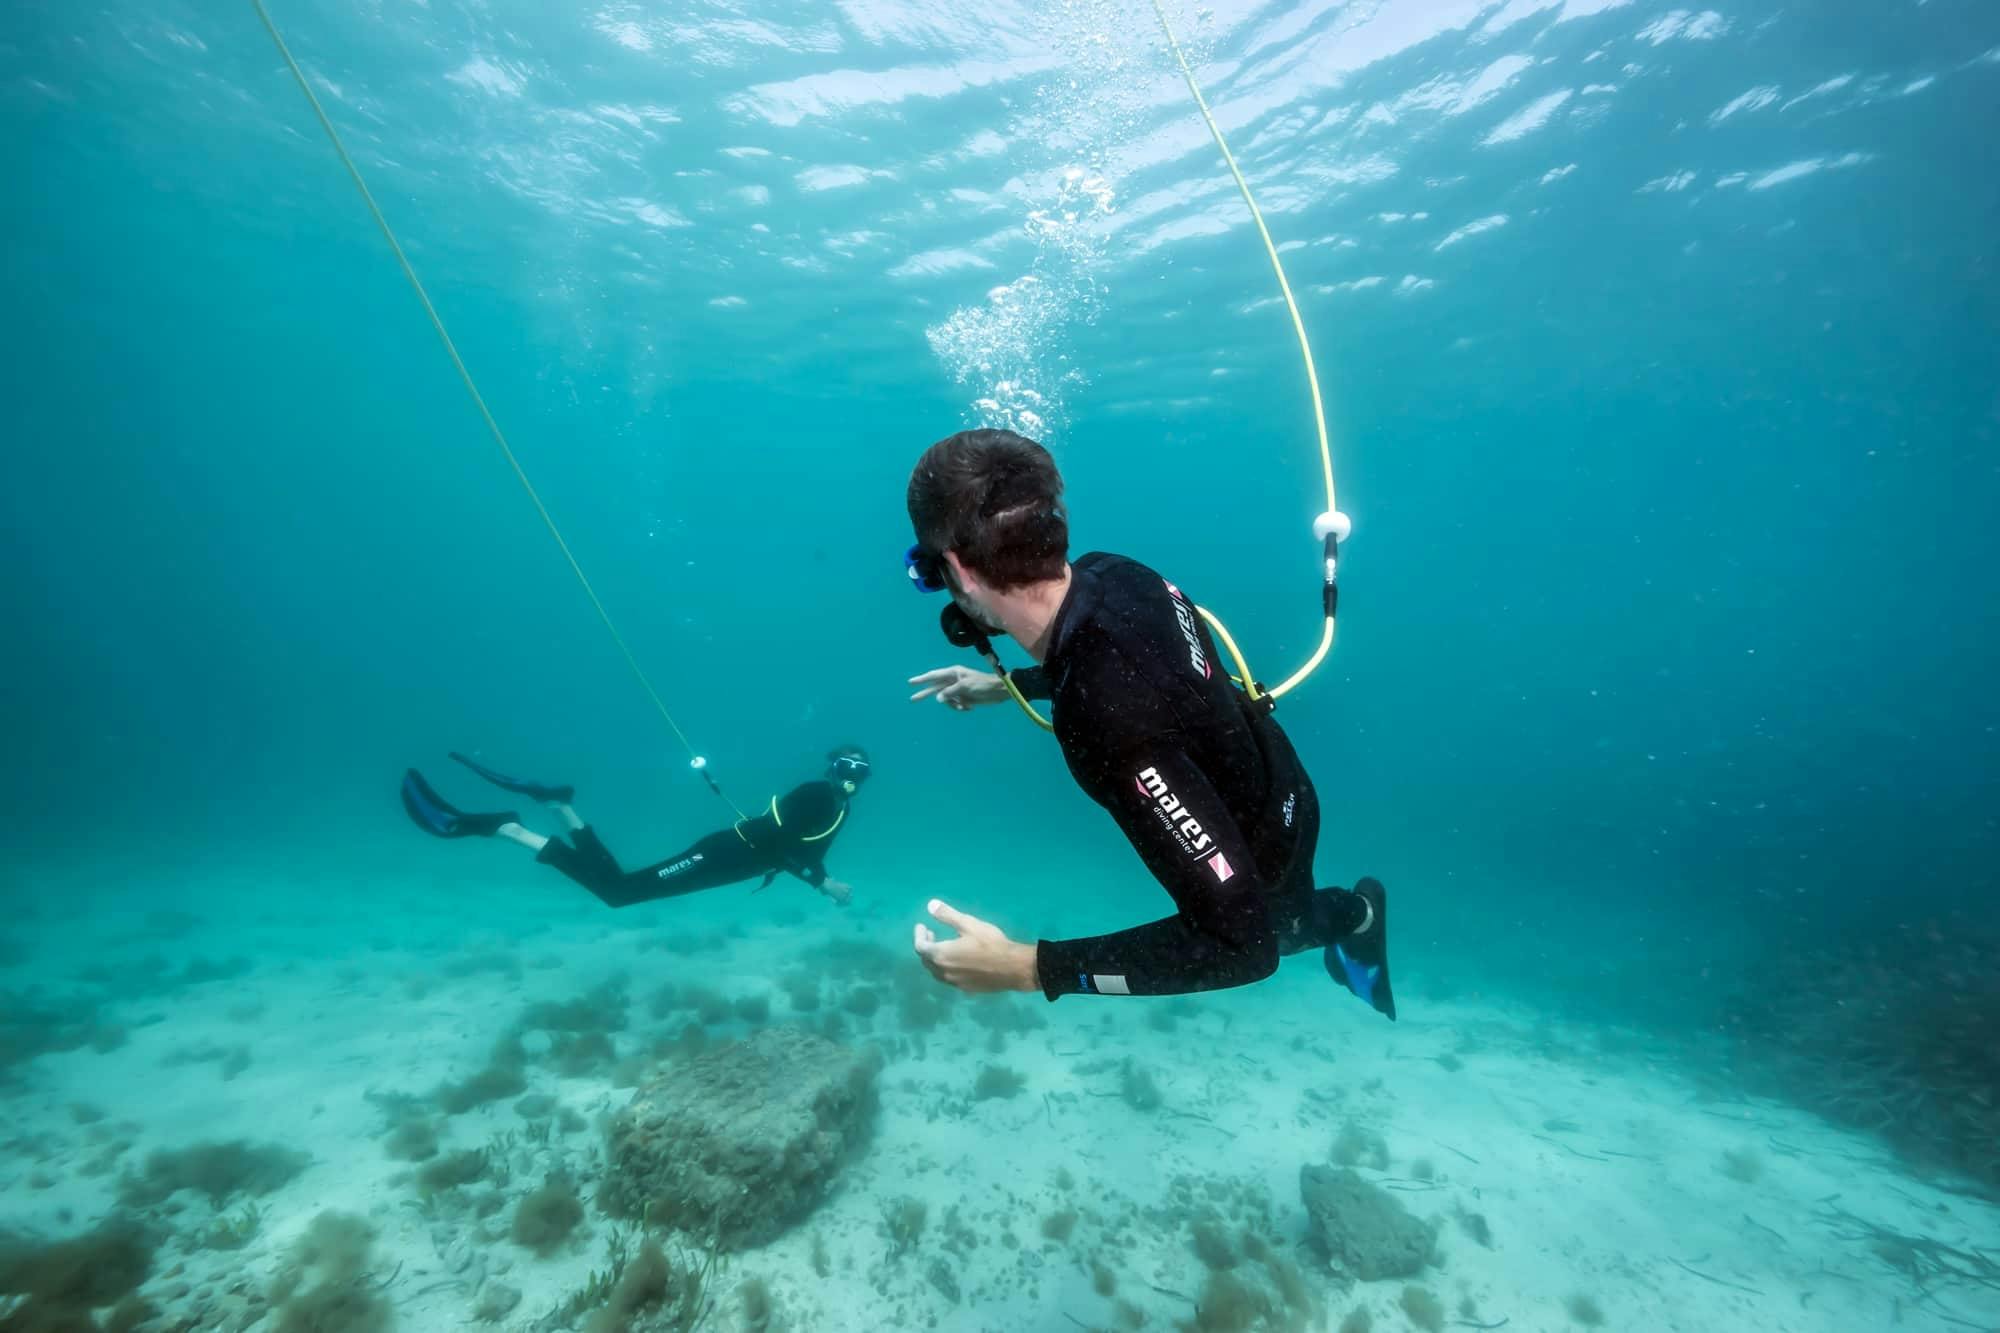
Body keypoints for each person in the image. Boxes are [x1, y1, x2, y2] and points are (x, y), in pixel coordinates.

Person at [902, 428, 1394, 1018]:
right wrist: (1007, 685)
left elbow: (1243, 949)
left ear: (959, 568)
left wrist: (1027, 967)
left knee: (1282, 931)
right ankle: (1357, 918)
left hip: (1267, 837)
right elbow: (1128, 661)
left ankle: (1364, 916)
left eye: (930, 571)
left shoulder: (1110, 729)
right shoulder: (1113, 571)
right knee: (1283, 920)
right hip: (1279, 777)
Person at [399, 747, 867, 909]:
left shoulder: (839, 808)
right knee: (619, 893)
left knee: (620, 888)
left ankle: (560, 806)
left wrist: (822, 877)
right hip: (722, 855)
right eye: (847, 767)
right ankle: (511, 829)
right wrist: (824, 885)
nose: (852, 778)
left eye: (861, 772)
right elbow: (785, 845)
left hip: (731, 863)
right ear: (831, 768)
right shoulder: (816, 794)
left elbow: (805, 853)